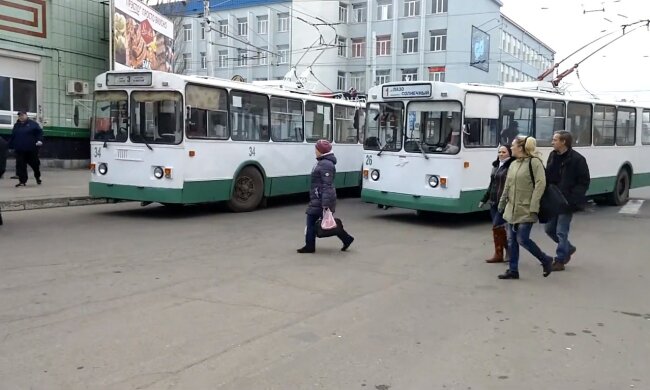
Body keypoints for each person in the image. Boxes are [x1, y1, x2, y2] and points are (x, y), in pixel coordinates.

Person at [497, 136, 554, 279]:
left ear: (521, 148)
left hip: (526, 208)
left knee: (522, 239)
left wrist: (534, 206)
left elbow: (541, 184)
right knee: (511, 240)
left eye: (513, 145)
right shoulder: (514, 164)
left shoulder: (534, 163)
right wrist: (502, 202)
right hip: (512, 208)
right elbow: (508, 185)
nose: (511, 148)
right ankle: (513, 270)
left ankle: (545, 259)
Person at [544, 130, 591, 271]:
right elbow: (548, 175)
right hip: (553, 199)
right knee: (549, 229)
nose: (552, 142)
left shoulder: (577, 159)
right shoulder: (553, 156)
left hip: (567, 202)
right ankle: (568, 248)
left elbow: (584, 181)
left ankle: (560, 260)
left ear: (563, 142)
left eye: (555, 140)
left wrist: (572, 198)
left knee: (561, 231)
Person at [297, 139, 354, 253]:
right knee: (319, 222)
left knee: (312, 221)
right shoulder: (322, 162)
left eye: (316, 149)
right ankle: (346, 238)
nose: (315, 151)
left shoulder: (325, 164)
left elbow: (327, 185)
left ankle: (310, 246)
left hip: (321, 198)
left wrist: (325, 204)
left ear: (321, 151)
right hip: (319, 197)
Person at [479, 145, 515, 263]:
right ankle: (501, 253)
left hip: (503, 201)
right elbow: (491, 185)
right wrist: (484, 199)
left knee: (497, 226)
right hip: (493, 201)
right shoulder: (495, 165)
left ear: (509, 153)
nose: (501, 154)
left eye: (503, 152)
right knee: (498, 228)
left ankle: (505, 252)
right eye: (499, 152)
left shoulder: (512, 166)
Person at [8, 111, 43, 187]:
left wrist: (39, 140)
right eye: (19, 116)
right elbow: (13, 136)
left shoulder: (33, 124)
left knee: (35, 165)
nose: (21, 117)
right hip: (20, 150)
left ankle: (37, 177)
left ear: (26, 115)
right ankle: (22, 181)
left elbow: (39, 133)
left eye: (22, 115)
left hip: (31, 149)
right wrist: (9, 146)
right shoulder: (17, 125)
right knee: (21, 166)